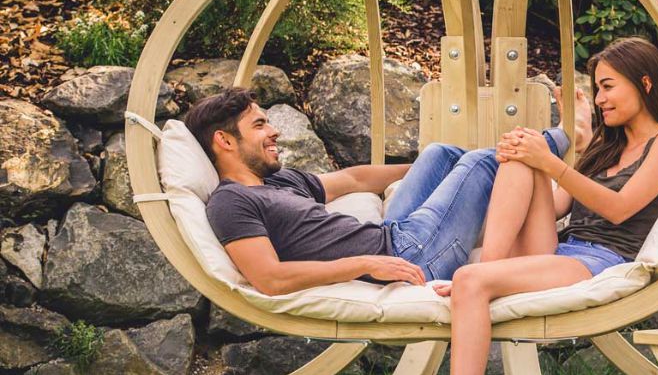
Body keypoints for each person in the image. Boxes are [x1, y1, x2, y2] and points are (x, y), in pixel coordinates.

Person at [398, 37, 658, 375]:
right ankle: (488, 269)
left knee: (472, 281)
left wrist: (551, 163)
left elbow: (620, 208)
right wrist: (528, 155)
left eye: (608, 86)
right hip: (562, 249)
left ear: (645, 83)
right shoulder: (606, 147)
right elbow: (554, 206)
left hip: (601, 260)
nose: (601, 98)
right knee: (520, 157)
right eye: (597, 89)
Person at [184, 87, 569, 294]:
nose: (274, 132)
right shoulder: (231, 202)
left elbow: (353, 180)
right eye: (259, 126)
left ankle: (514, 178)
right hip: (411, 255)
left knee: (440, 154)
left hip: (392, 235)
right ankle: (566, 138)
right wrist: (364, 264)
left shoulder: (277, 180)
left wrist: (445, 176)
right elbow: (270, 278)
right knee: (481, 163)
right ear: (225, 140)